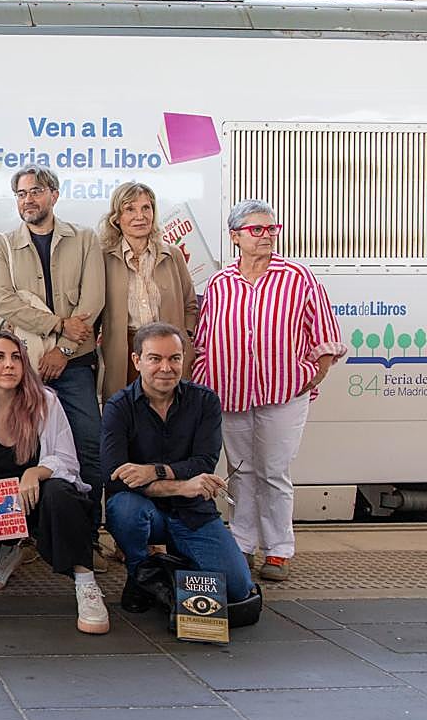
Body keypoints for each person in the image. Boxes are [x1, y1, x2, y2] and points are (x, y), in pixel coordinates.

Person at [193, 200, 345, 581]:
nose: (266, 235)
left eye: (271, 228)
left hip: (285, 394)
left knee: (274, 471)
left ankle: (278, 550)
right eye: (256, 230)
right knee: (240, 471)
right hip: (231, 394)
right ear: (235, 237)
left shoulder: (298, 276)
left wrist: (313, 378)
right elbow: (206, 340)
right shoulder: (219, 282)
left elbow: (325, 336)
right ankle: (242, 544)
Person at [0, 332, 109, 634]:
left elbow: (67, 461)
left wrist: (37, 473)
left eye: (16, 357)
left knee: (60, 492)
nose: (9, 365)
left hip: (39, 503)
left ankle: (86, 584)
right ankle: (5, 552)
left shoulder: (45, 401)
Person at [0, 165, 106, 568]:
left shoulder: (85, 239)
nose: (28, 200)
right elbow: (3, 301)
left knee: (89, 446)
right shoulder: (1, 245)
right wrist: (56, 325)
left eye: (36, 192)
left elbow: (93, 301)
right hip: (23, 363)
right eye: (21, 194)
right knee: (19, 450)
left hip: (73, 363)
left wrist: (65, 350)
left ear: (54, 195)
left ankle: (86, 538)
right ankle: (21, 538)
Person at [103, 322, 257, 608]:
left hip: (192, 511)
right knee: (124, 508)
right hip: (142, 509)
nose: (166, 368)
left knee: (237, 589)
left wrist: (153, 471)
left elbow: (204, 462)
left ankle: (173, 573)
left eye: (174, 358)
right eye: (155, 358)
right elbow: (115, 478)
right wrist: (182, 485)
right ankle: (140, 575)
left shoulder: (205, 401)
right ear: (137, 361)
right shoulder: (118, 407)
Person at [99, 181, 198, 401]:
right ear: (116, 218)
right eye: (130, 209)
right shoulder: (102, 259)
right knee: (127, 421)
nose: (140, 216)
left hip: (168, 354)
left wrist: (185, 338)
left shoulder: (172, 255)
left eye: (146, 207)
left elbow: (191, 304)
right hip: (124, 354)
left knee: (171, 419)